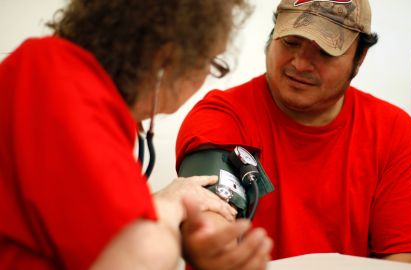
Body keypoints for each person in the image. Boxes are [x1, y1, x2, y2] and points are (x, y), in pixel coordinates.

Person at [0, 0, 272, 269]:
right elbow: (141, 255)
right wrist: (169, 210)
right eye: (211, 62)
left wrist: (164, 200)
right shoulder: (57, 85)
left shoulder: (54, 75)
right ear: (167, 58)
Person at [176, 0, 411, 267]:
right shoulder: (222, 115)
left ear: (359, 59)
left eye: (325, 52)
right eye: (291, 41)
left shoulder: (392, 131)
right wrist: (210, 245)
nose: (301, 64)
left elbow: (401, 258)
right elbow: (211, 221)